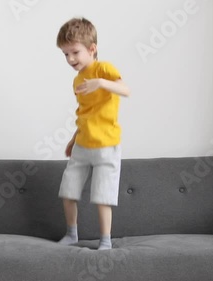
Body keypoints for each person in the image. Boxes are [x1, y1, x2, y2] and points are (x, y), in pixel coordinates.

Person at [56, 17, 130, 250]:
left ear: (92, 49)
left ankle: (105, 241)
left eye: (75, 52)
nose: (70, 59)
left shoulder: (103, 69)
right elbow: (85, 113)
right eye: (65, 54)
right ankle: (71, 234)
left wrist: (101, 82)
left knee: (102, 197)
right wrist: (73, 138)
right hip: (83, 145)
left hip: (106, 146)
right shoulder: (77, 80)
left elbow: (125, 90)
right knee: (68, 191)